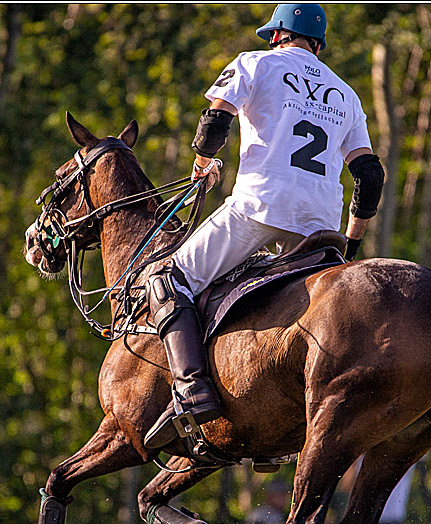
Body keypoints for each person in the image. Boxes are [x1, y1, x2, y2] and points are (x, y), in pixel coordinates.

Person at [144, 3, 386, 450]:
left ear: (277, 36)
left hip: (259, 207)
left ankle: (191, 392)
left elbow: (215, 121)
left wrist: (202, 164)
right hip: (320, 223)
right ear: (318, 44)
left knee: (166, 278)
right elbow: (370, 176)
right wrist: (350, 244)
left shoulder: (255, 63)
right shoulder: (346, 94)